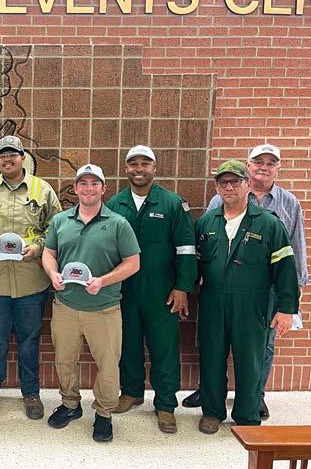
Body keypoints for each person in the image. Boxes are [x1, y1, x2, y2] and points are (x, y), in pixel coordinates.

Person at [182, 144, 308, 420]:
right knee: (212, 358)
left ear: (247, 185)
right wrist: (183, 290)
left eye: (235, 181)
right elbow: (195, 266)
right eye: (223, 182)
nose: (229, 187)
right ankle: (212, 413)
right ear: (217, 187)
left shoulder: (268, 223)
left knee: (250, 361)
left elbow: (286, 268)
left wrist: (287, 309)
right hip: (213, 301)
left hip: (253, 303)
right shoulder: (207, 222)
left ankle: (247, 416)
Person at [42, 164, 140, 442]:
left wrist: (103, 281)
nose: (88, 188)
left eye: (94, 183)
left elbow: (133, 263)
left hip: (104, 309)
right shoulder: (60, 221)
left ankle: (104, 413)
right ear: (75, 188)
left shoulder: (118, 223)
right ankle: (70, 404)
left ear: (103, 188)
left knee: (108, 365)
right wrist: (52, 273)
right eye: (83, 183)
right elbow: (49, 253)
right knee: (64, 360)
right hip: (66, 306)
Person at [0, 135, 61, 420]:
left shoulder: (42, 190)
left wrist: (39, 248)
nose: (7, 160)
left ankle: (31, 393)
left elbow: (56, 227)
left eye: (13, 155)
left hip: (32, 279)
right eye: (2, 156)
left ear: (23, 158)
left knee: (30, 340)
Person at [106, 145, 197, 434]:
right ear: (126, 169)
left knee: (164, 347)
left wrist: (183, 287)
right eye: (133, 163)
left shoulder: (172, 203)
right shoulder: (115, 204)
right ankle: (131, 392)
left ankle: (166, 404)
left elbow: (186, 248)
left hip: (162, 290)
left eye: (145, 163)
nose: (139, 169)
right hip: (125, 289)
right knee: (128, 343)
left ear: (154, 169)